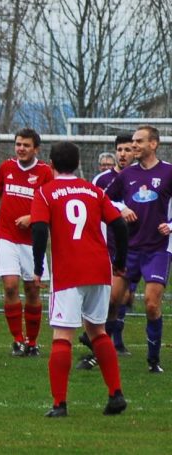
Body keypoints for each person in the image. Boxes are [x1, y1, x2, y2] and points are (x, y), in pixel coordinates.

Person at [30, 141, 128, 417]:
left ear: (50, 165)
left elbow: (39, 231)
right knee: (98, 331)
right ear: (77, 164)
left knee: (62, 335)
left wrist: (38, 268)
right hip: (99, 269)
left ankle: (59, 404)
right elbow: (119, 225)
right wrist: (119, 263)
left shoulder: (46, 192)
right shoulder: (93, 190)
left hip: (69, 271)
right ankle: (116, 394)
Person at [0, 128, 53, 357]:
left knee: (32, 290)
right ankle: (18, 340)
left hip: (33, 241)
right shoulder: (7, 167)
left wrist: (33, 218)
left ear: (36, 149)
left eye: (26, 145)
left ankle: (32, 342)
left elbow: (52, 205)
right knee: (10, 285)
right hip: (7, 236)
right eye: (18, 144)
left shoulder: (45, 173)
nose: (21, 149)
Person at [104, 125, 170, 373]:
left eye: (139, 141)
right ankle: (100, 351)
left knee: (151, 304)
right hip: (129, 249)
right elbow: (105, 198)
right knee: (112, 300)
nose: (134, 146)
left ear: (153, 144)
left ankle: (153, 360)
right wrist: (121, 208)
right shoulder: (127, 175)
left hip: (157, 250)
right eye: (133, 141)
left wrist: (171, 225)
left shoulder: (168, 172)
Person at [78, 134, 136, 369]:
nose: (123, 153)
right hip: (109, 245)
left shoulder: (140, 177)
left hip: (140, 244)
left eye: (127, 149)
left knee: (124, 297)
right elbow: (93, 204)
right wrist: (120, 208)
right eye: (119, 149)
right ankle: (103, 345)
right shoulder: (102, 180)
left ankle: (108, 343)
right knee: (112, 298)